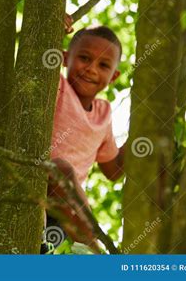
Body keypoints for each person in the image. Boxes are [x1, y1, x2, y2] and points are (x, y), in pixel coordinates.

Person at [42, 18, 125, 253]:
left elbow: (114, 170)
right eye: (84, 58)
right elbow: (36, 64)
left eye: (103, 65)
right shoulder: (56, 86)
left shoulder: (103, 114)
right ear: (66, 58)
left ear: (114, 76)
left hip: (62, 215)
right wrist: (52, 27)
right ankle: (93, 249)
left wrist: (146, 132)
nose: (91, 69)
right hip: (35, 183)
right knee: (60, 168)